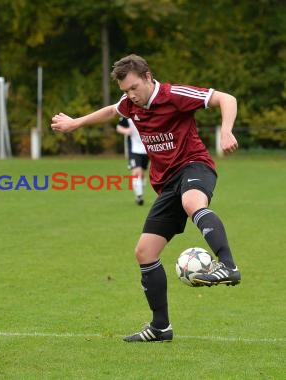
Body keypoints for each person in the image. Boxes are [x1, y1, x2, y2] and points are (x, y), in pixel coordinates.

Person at [51, 54, 240, 342]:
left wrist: (226, 130)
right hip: (166, 185)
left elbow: (225, 98)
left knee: (192, 203)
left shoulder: (173, 95)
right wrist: (75, 123)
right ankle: (160, 327)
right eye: (125, 90)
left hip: (194, 166)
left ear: (149, 77)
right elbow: (112, 111)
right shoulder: (130, 104)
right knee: (145, 252)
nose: (130, 95)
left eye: (134, 87)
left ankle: (228, 265)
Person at [115, 116, 148, 205]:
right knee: (137, 171)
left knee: (142, 174)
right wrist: (126, 131)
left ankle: (140, 193)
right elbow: (118, 127)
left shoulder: (149, 112)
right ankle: (139, 196)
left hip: (147, 149)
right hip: (134, 149)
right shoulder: (128, 114)